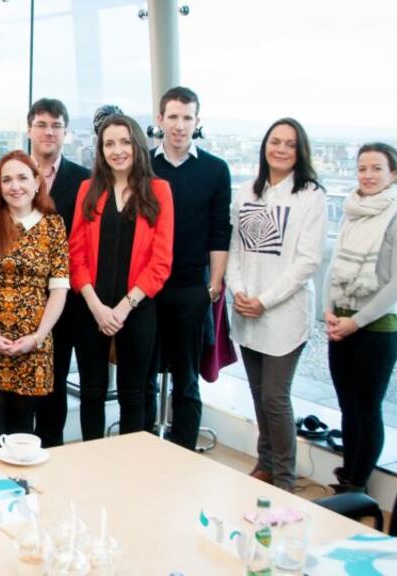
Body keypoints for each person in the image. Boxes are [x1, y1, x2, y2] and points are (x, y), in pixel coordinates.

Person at [226, 118, 326, 491]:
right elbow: (235, 248)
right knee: (258, 395)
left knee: (275, 396)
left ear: (300, 152)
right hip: (246, 311)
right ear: (264, 146)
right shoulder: (247, 192)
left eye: (290, 144)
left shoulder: (311, 197)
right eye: (275, 141)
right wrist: (238, 290)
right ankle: (265, 463)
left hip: (283, 314)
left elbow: (308, 261)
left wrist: (265, 300)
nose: (281, 149)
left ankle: (284, 478)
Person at [0, 98, 90, 447]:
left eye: (56, 125)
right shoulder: (2, 173)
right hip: (10, 307)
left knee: (55, 385)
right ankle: (13, 455)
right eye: (41, 124)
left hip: (64, 303)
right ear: (29, 129)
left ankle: (51, 452)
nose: (48, 132)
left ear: (66, 133)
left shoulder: (83, 180)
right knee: (11, 395)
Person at [325, 143, 397, 494]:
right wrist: (329, 311)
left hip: (377, 330)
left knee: (367, 409)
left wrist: (357, 321)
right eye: (362, 168)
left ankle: (357, 485)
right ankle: (347, 475)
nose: (367, 175)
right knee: (347, 407)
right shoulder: (353, 212)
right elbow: (334, 266)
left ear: (393, 173)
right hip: (342, 324)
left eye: (376, 168)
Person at [69, 114, 174, 441]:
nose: (117, 150)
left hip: (138, 310)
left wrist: (124, 308)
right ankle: (92, 462)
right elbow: (76, 254)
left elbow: (161, 261)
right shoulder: (88, 189)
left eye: (125, 142)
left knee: (133, 394)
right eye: (109, 143)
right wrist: (97, 307)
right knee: (92, 392)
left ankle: (130, 471)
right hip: (90, 308)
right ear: (100, 150)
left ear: (137, 145)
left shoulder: (159, 190)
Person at [0, 150, 69, 454]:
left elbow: (59, 289)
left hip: (33, 342)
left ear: (37, 182)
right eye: (6, 179)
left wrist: (37, 338)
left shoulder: (53, 225)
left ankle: (21, 490)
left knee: (24, 425)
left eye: (22, 177)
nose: (14, 186)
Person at [150, 86, 232, 450]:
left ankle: (182, 454)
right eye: (173, 117)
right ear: (160, 120)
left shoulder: (216, 170)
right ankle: (142, 449)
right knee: (143, 377)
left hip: (191, 288)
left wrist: (213, 285)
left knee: (186, 379)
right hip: (146, 288)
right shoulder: (144, 166)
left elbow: (219, 231)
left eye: (187, 118)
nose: (179, 125)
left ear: (197, 122)